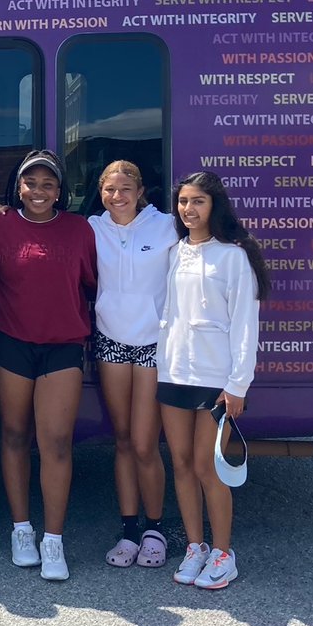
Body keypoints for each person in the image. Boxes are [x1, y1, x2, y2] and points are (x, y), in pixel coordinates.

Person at [0, 149, 97, 581]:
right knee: (13, 435)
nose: (39, 191)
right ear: (18, 188)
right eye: (31, 183)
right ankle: (22, 529)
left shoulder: (79, 229)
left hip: (63, 346)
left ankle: (54, 540)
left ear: (60, 190)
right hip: (11, 343)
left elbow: (97, 281)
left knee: (57, 442)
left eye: (48, 184)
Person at [157, 171, 269, 590]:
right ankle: (195, 546)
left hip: (214, 378)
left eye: (198, 201)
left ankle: (224, 553)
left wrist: (238, 384)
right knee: (182, 464)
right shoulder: (174, 252)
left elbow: (245, 324)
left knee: (209, 468)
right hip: (172, 372)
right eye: (183, 201)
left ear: (214, 206)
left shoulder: (233, 257)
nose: (189, 209)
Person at [88, 160, 177, 569]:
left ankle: (155, 527)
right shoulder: (91, 227)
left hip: (152, 343)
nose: (117, 197)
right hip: (109, 340)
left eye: (125, 189)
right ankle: (129, 530)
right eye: (109, 190)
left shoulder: (167, 227)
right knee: (122, 440)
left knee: (144, 443)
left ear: (140, 191)